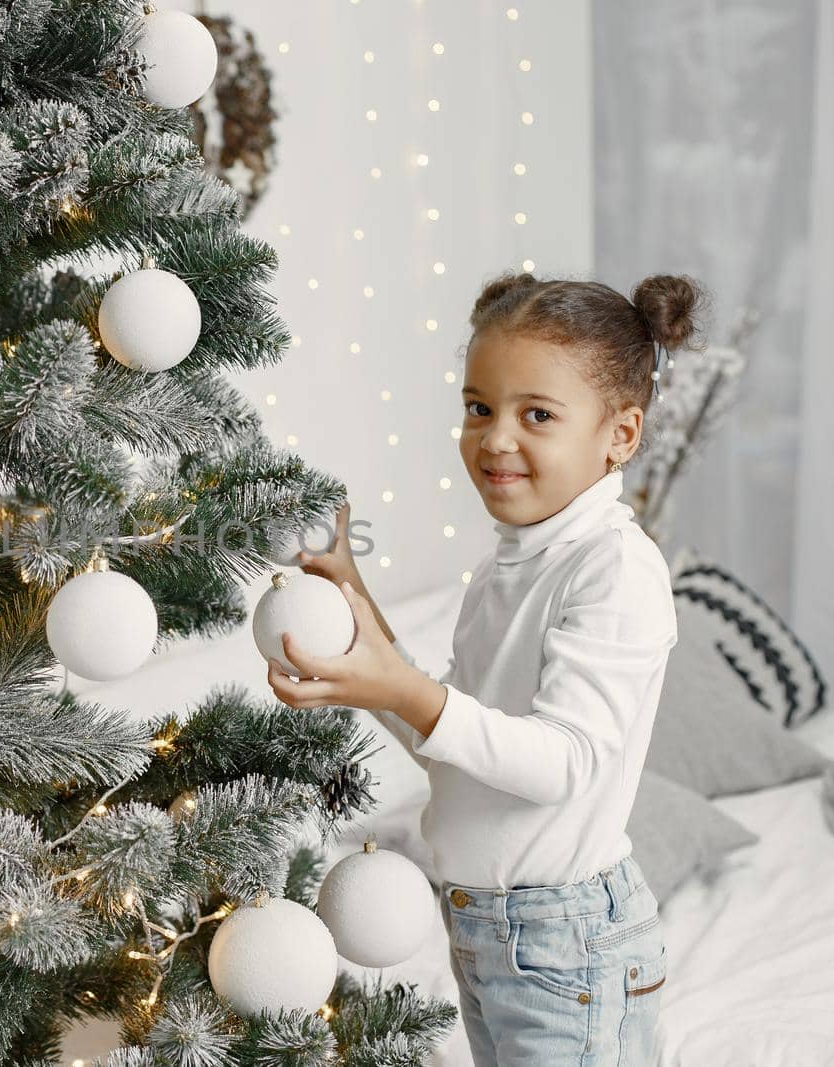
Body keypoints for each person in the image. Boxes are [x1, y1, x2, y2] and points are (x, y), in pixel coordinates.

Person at [268, 270, 706, 1065]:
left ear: (622, 434)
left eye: (537, 414)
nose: (496, 438)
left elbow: (561, 763)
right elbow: (460, 745)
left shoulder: (613, 569)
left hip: (566, 942)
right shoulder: (509, 565)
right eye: (479, 408)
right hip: (483, 928)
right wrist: (357, 618)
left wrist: (403, 686)